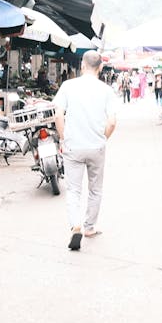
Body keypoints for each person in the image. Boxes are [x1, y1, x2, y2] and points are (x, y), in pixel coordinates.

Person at [53, 50, 118, 251]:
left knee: (73, 190)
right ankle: (89, 227)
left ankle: (76, 225)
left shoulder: (68, 86)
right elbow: (112, 122)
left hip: (73, 146)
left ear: (82, 65)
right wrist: (102, 138)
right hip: (96, 147)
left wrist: (64, 138)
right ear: (100, 67)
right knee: (95, 189)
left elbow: (58, 115)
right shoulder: (106, 90)